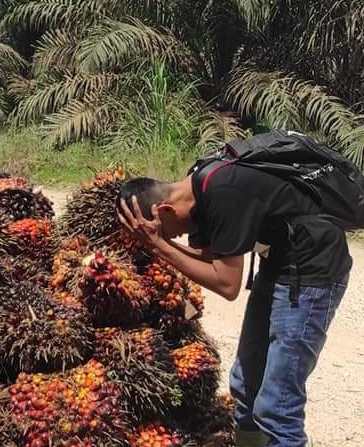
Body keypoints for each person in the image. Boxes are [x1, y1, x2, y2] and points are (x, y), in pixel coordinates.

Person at [116, 165, 351, 447]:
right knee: (244, 384)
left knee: (277, 405)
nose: (172, 238)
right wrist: (157, 244)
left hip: (312, 272)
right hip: (278, 263)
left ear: (165, 210)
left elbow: (227, 284)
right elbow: (213, 255)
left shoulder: (221, 194)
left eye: (165, 231)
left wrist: (159, 247)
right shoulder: (197, 190)